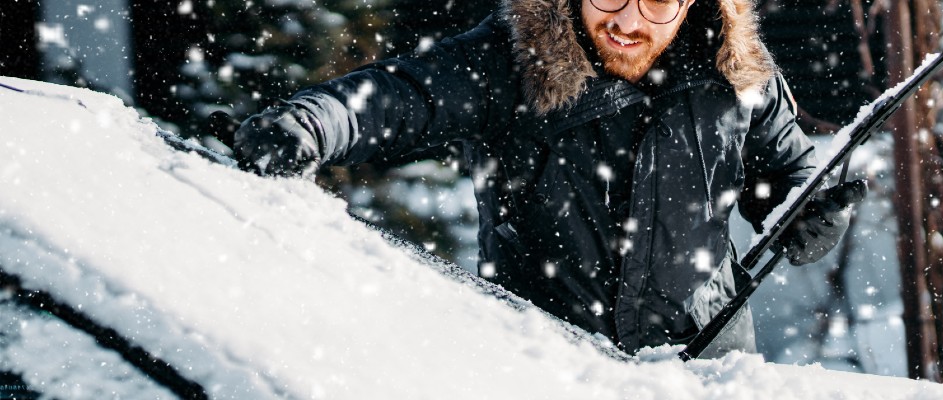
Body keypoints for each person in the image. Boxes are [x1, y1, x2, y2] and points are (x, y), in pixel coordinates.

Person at [232, 0, 865, 358]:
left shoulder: (739, 76)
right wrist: (309, 125)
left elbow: (790, 178)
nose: (627, 21)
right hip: (546, 365)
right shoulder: (515, 57)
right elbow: (403, 96)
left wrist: (810, 215)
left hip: (706, 367)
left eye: (658, 2)